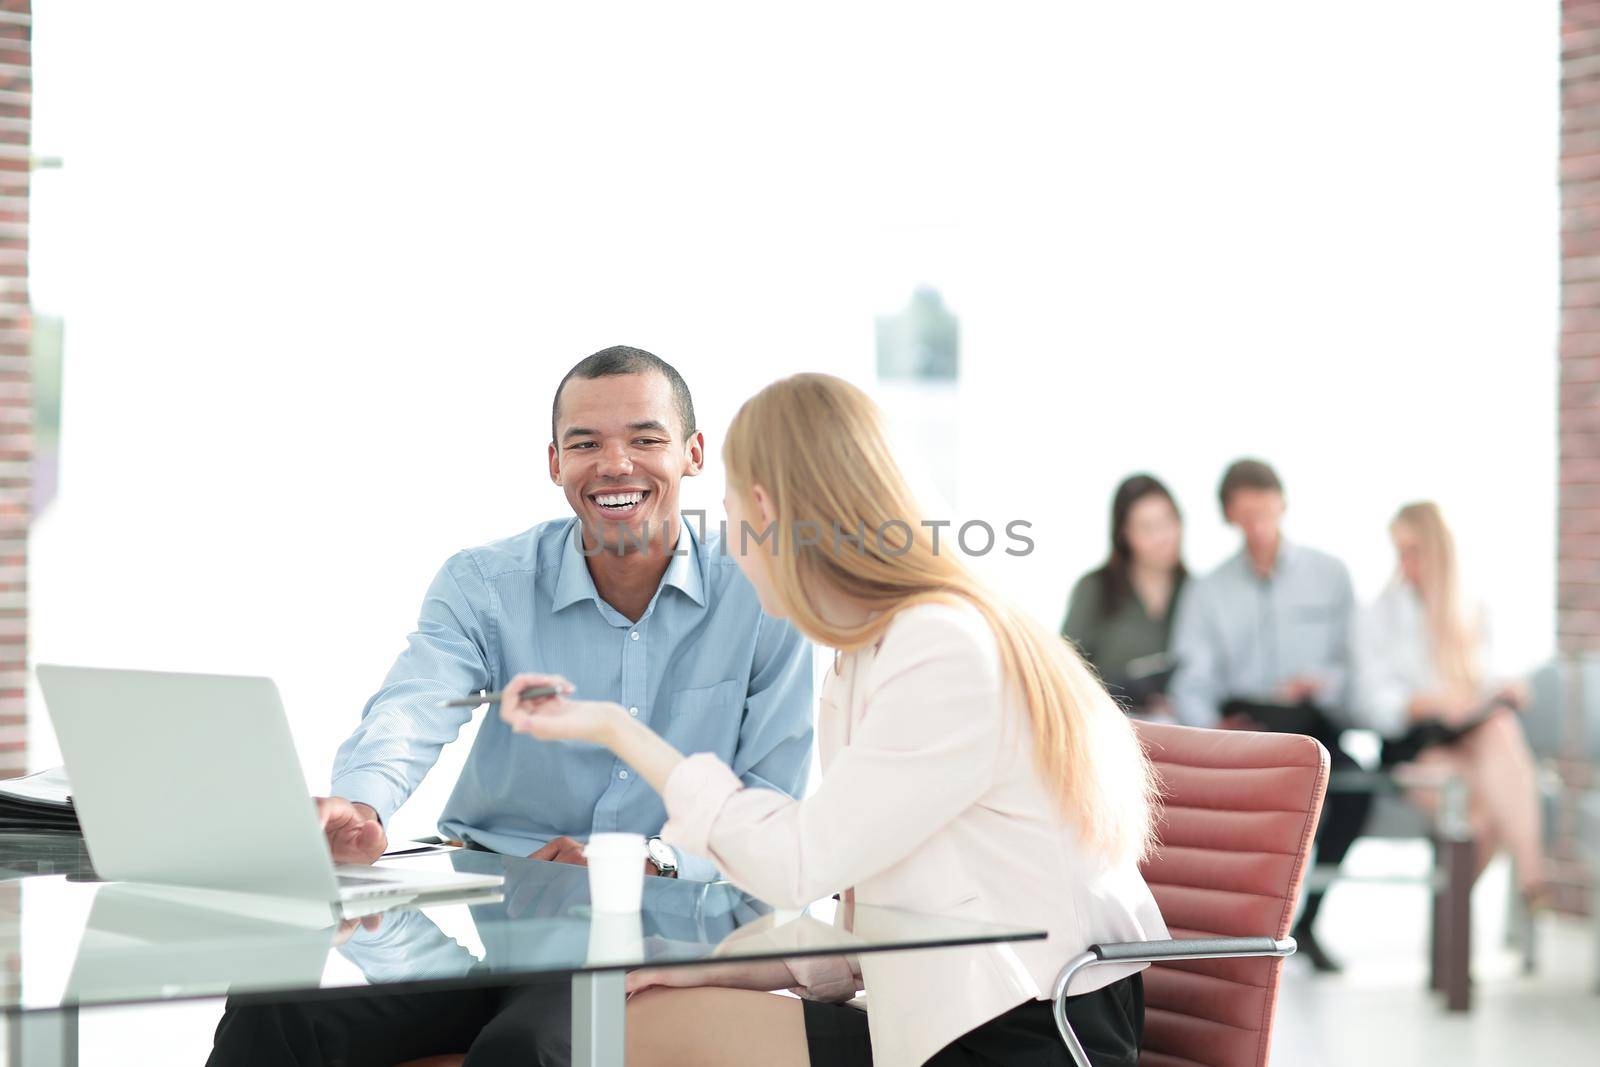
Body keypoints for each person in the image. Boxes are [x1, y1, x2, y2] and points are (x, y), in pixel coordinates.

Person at [499, 373, 1167, 1067]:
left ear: (765, 508)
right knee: (629, 1017)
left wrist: (617, 729)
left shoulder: (942, 647)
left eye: (727, 510)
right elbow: (876, 908)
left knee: (627, 1035)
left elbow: (796, 863)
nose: (725, 542)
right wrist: (720, 964)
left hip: (1025, 1033)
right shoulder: (876, 650)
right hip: (945, 1010)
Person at [208, 345, 815, 1067]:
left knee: (522, 1048)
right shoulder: (486, 583)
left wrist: (647, 858)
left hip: (655, 930)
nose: (616, 464)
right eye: (585, 443)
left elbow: (772, 801)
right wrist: (362, 804)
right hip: (482, 914)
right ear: (554, 463)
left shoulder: (764, 592)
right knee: (268, 1013)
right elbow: (417, 699)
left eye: (645, 439)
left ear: (692, 453)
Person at [1167, 458, 1370, 973]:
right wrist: (1213, 730)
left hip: (1315, 725)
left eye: (1265, 512)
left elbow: (1356, 666)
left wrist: (1322, 682)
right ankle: (1248, 932)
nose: (1258, 527)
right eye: (1246, 516)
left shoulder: (1331, 575)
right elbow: (1191, 678)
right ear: (1230, 517)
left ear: (1282, 505)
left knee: (1354, 790)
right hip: (1250, 732)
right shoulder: (1208, 591)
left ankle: (1309, 918)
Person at [1353, 501, 1546, 901]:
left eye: (1414, 550)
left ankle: (1524, 879)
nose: (1405, 562)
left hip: (1467, 738)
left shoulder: (1472, 609)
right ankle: (1530, 888)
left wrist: (1500, 690)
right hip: (1413, 748)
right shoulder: (1378, 615)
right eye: (1399, 551)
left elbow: (1485, 677)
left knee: (1500, 727)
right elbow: (1373, 705)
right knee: (1485, 814)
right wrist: (1428, 703)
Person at [1062, 474, 1187, 716]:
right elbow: (1064, 669)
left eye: (1168, 521)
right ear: (1124, 534)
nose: (1163, 537)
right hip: (1107, 725)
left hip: (1180, 733)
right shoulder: (1095, 589)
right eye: (1148, 528)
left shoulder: (1195, 591)